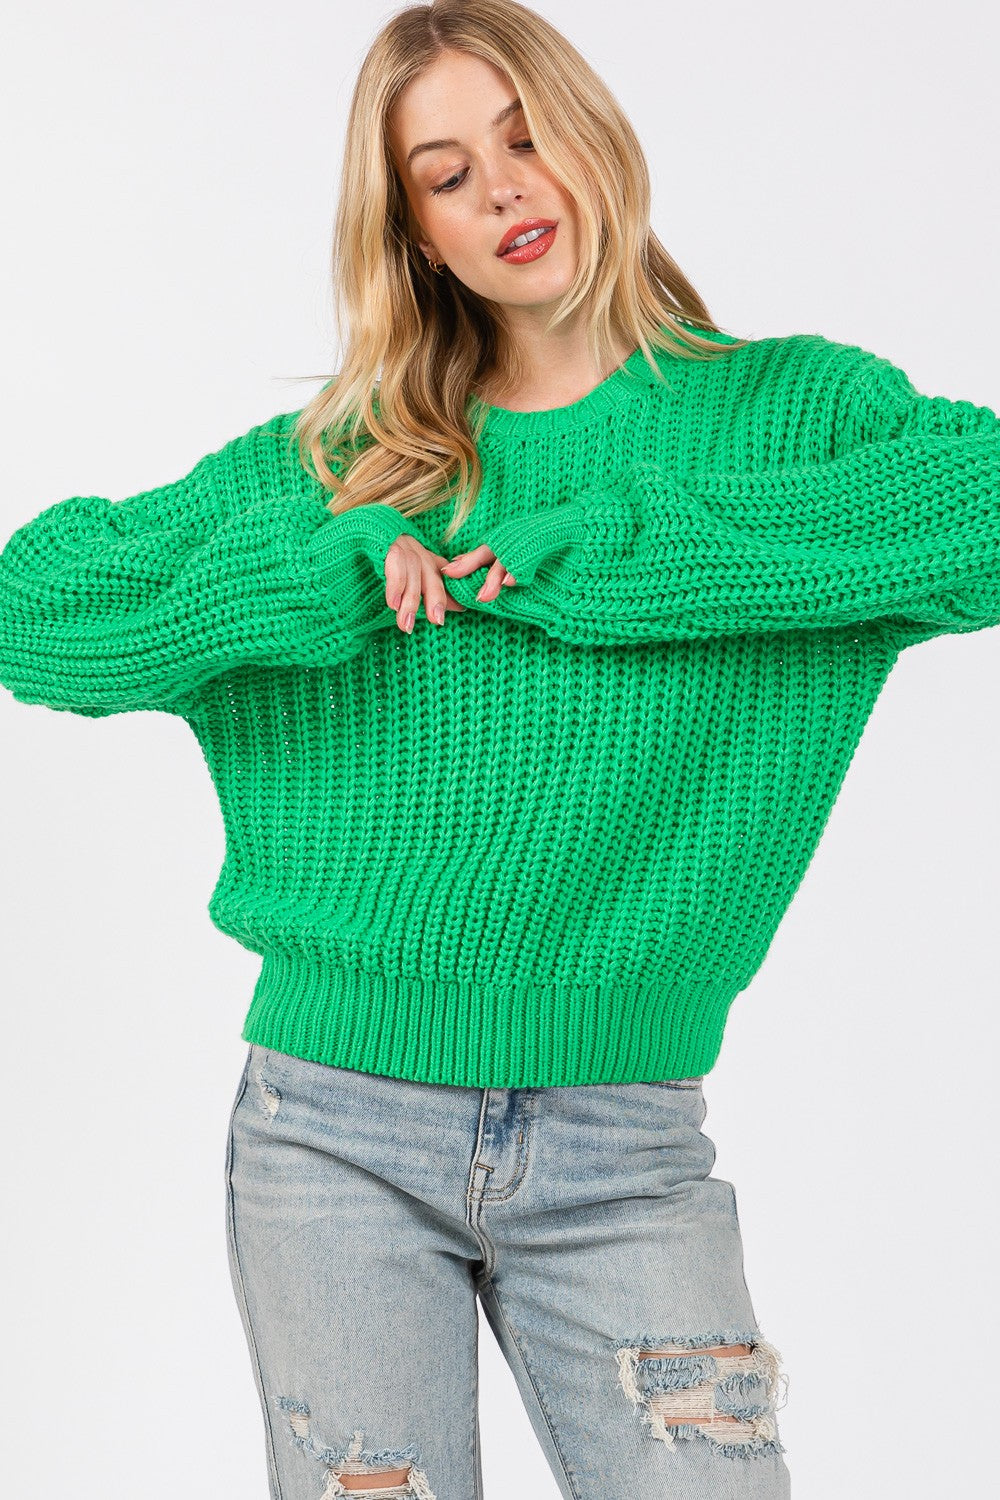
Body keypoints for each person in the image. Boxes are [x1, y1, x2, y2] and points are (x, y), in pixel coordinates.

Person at [2, 3, 998, 1497]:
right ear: (415, 232)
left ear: (597, 137)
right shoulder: (347, 457)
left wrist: (641, 550)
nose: (508, 190)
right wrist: (300, 577)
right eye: (448, 172)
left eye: (528, 137)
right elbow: (34, 606)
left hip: (628, 1149)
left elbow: (979, 509)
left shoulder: (795, 416)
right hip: (329, 1133)